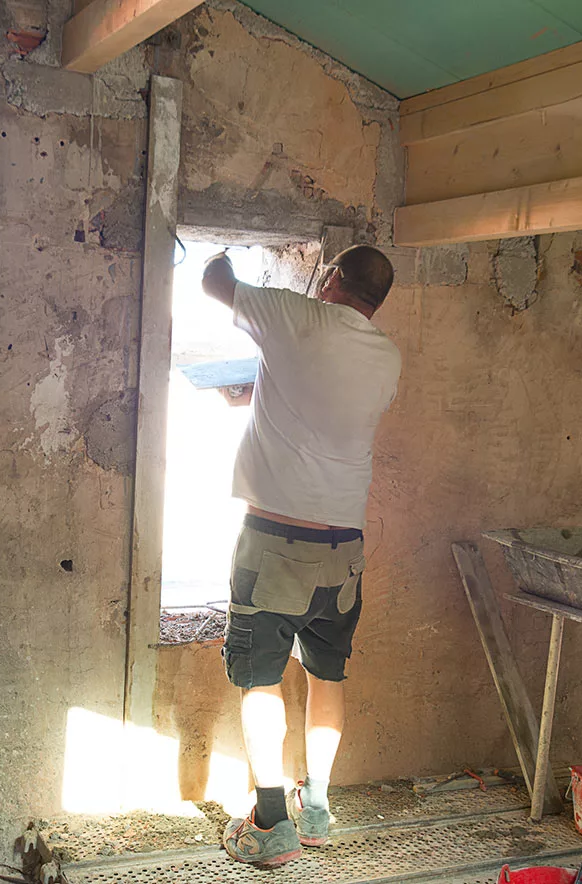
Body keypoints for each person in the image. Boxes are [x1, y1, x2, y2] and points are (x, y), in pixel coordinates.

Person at [200, 244, 401, 869]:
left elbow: (215, 282)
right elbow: (323, 404)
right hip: (344, 548)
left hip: (276, 542)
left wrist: (223, 254)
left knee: (260, 678)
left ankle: (269, 825)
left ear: (333, 278)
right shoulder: (387, 356)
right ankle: (315, 807)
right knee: (326, 673)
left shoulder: (297, 315)